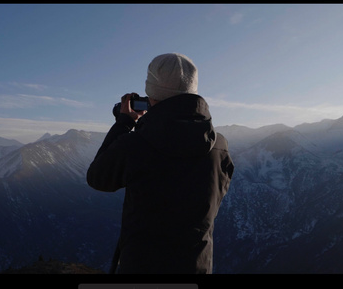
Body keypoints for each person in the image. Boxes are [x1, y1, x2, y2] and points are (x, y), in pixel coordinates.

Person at [86, 53, 234, 274]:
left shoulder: (135, 145)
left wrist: (125, 123)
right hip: (197, 267)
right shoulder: (219, 147)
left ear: (152, 94)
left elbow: (98, 178)